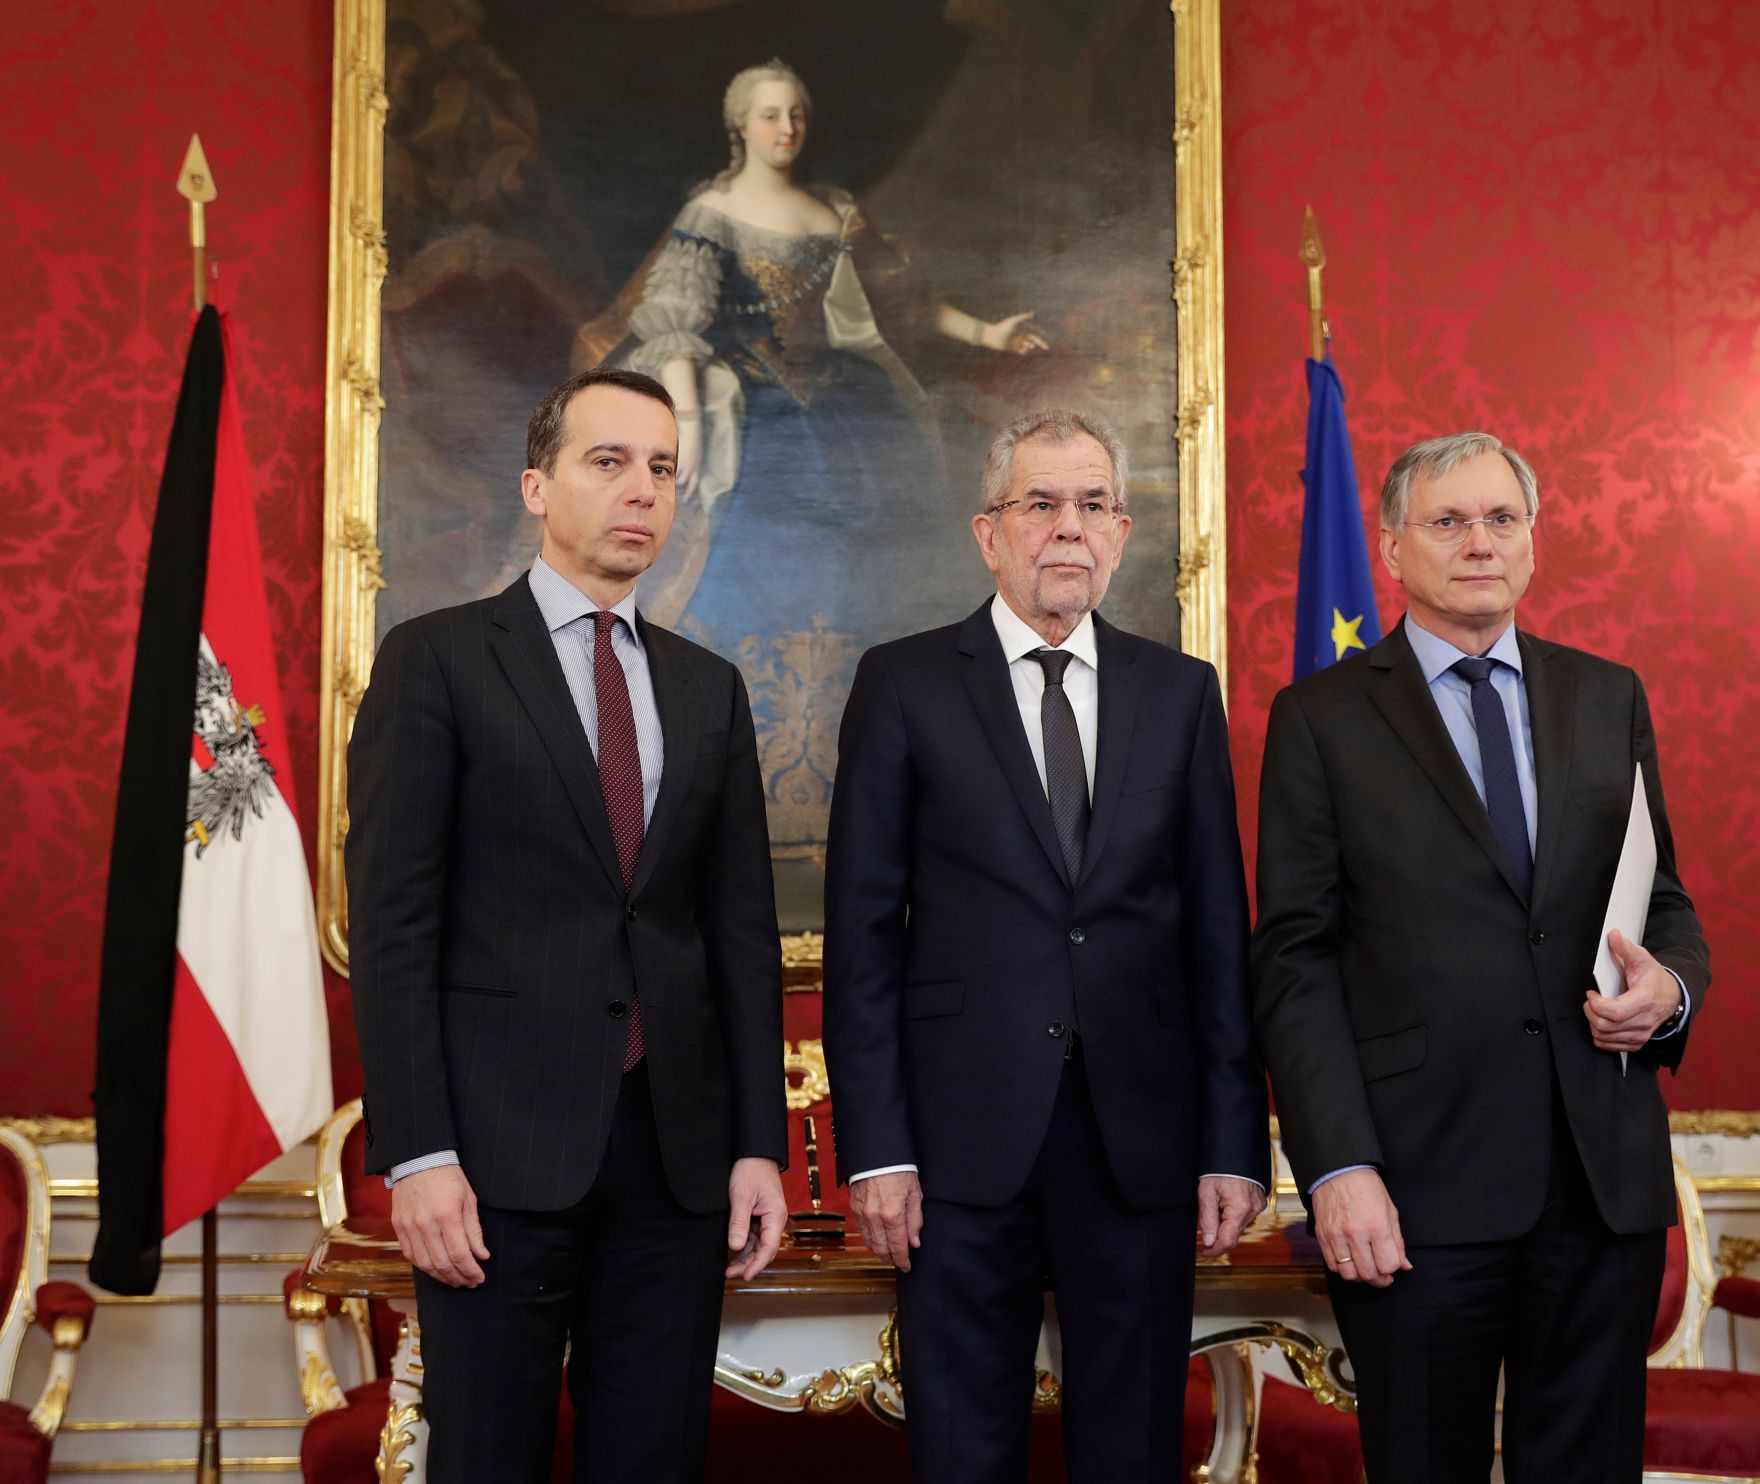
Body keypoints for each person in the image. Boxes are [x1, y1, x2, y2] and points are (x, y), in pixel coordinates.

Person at [346, 367, 788, 1482]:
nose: (641, 490)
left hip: (674, 1164)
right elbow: (395, 923)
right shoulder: (436, 660)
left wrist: (755, 1143)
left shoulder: (708, 688)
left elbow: (738, 935)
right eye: (609, 461)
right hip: (490, 1164)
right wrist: (418, 1154)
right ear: (536, 485)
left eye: (660, 469)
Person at [1252, 432, 1711, 1483]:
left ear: (1531, 542)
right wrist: (1336, 1164)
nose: (1477, 543)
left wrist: (1667, 989)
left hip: (1596, 1180)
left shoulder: (1607, 696)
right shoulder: (1320, 718)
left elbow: (1664, 901)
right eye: (1446, 521)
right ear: (1389, 547)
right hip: (1414, 1188)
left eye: (1499, 519)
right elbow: (1293, 957)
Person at [823, 408, 1270, 1481]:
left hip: (1142, 1139)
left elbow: (1217, 929)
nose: (1067, 527)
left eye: (1091, 505)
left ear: (1119, 533)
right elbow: (863, 932)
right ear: (989, 532)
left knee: (1131, 1445)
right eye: (1040, 503)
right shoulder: (904, 682)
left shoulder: (1179, 693)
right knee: (963, 1445)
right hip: (955, 1140)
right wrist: (875, 1146)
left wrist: (1232, 1138)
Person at [586, 57, 1047, 681]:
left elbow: (903, 303)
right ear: (740, 127)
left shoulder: (833, 211)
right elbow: (677, 324)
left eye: (796, 115)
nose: (787, 127)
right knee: (760, 535)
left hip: (843, 399)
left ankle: (864, 683)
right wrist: (686, 423)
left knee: (879, 536)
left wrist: (988, 332)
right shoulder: (712, 213)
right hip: (746, 402)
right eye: (770, 115)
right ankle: (752, 692)